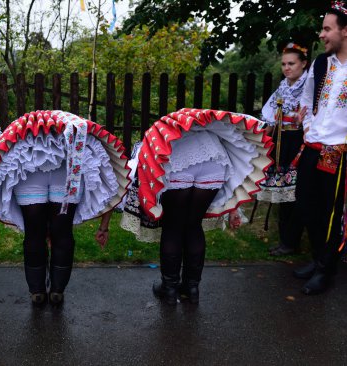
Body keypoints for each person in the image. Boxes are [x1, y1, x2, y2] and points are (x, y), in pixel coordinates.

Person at [122, 109, 273, 305]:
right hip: (214, 159)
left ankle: (169, 289)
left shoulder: (166, 128)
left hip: (177, 160)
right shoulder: (209, 128)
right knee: (193, 225)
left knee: (173, 227)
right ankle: (191, 289)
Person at [0, 110, 130, 305]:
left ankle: (37, 292)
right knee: (63, 232)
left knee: (34, 233)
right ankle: (57, 291)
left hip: (29, 168)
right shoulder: (72, 126)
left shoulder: (23, 130)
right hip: (66, 167)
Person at [294, 2, 347, 295]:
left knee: (329, 211)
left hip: (337, 151)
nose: (322, 34)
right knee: (305, 204)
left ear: (345, 30)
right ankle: (317, 260)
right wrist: (308, 125)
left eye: (327, 28)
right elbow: (306, 96)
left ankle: (326, 269)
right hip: (314, 145)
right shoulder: (320, 63)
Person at [257, 43, 309, 256]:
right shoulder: (283, 87)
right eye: (284, 64)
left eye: (292, 63)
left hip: (300, 141)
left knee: (295, 192)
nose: (287, 68)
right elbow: (270, 118)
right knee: (282, 190)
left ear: (303, 64)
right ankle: (285, 240)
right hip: (282, 141)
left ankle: (292, 241)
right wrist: (263, 140)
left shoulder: (310, 87)